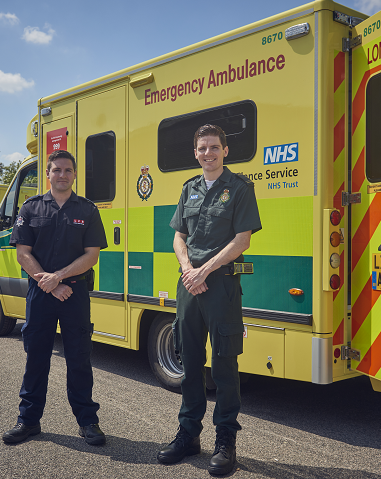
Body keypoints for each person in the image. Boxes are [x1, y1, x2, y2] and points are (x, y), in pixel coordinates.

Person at [158, 125, 261, 475]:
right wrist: (189, 268)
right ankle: (188, 435)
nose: (208, 153)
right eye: (202, 148)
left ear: (225, 150)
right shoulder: (189, 189)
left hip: (221, 286)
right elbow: (178, 236)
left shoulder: (240, 189)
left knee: (223, 366)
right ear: (196, 152)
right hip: (190, 284)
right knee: (189, 362)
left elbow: (242, 240)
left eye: (214, 147)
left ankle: (225, 441)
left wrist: (205, 271)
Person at [3, 149, 108, 445]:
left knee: (79, 358)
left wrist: (58, 278)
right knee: (36, 358)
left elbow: (92, 256)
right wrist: (47, 282)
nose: (62, 175)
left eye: (67, 170)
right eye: (56, 170)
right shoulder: (31, 208)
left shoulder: (87, 210)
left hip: (74, 293)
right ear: (47, 174)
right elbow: (22, 253)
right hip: (40, 294)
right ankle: (28, 421)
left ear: (74, 175)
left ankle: (88, 421)